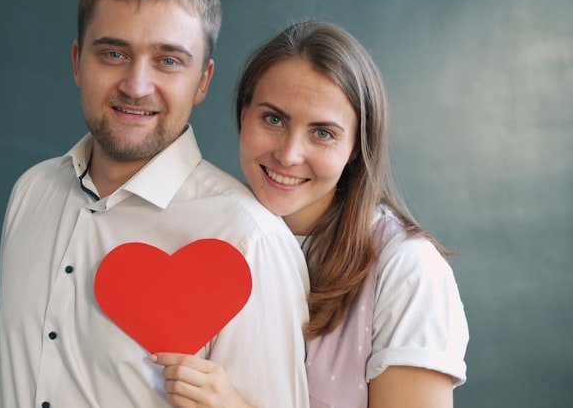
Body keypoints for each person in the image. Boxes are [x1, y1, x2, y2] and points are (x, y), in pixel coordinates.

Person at [0, 0, 310, 407]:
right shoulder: (32, 192)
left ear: (202, 82)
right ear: (78, 62)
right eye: (113, 54)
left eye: (168, 61)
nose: (136, 85)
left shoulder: (252, 241)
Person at [154, 20, 469, 407]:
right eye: (273, 119)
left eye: (323, 133)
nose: (288, 154)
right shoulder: (206, 235)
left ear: (356, 146)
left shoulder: (407, 269)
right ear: (243, 114)